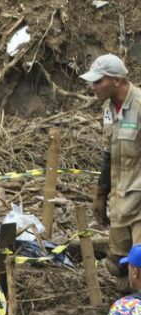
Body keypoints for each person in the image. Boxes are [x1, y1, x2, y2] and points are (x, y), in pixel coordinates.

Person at [81, 54, 141, 293]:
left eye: (98, 82)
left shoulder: (138, 105)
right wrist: (101, 194)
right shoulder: (108, 109)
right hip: (120, 200)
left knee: (139, 263)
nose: (93, 87)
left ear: (117, 80)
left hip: (139, 200)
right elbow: (108, 155)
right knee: (118, 267)